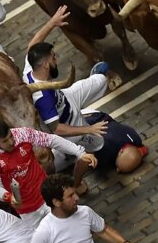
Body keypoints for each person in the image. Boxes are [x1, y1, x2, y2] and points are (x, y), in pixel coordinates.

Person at [23, 10, 119, 175]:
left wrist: (52, 22)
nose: (56, 59)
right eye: (54, 58)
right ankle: (67, 155)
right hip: (68, 122)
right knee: (98, 143)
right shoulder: (42, 97)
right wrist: (88, 130)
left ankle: (95, 79)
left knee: (101, 80)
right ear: (45, 64)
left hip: (66, 97)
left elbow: (33, 44)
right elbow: (57, 129)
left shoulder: (31, 67)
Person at [0, 118, 96, 232]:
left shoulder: (22, 134)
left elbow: (51, 140)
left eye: (10, 136)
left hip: (47, 195)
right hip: (27, 210)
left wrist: (79, 152)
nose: (11, 142)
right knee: (47, 242)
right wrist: (8, 197)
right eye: (5, 141)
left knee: (71, 227)